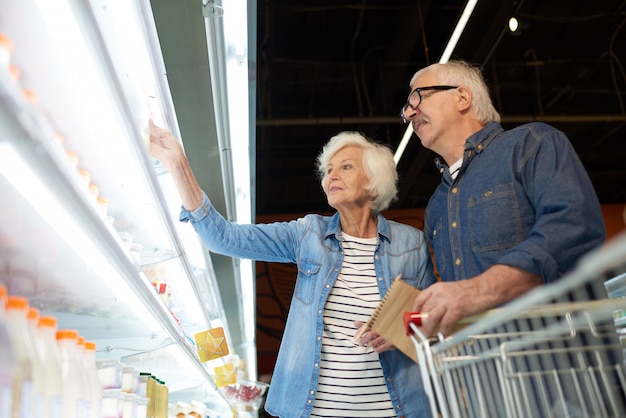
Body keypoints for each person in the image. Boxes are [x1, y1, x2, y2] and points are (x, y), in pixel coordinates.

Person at [148, 121, 437, 418]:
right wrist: (177, 163)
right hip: (316, 412)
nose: (331, 175)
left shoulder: (410, 243)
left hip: (394, 410)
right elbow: (224, 238)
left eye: (345, 167)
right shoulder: (308, 234)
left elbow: (434, 317)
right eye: (328, 170)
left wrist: (404, 330)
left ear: (374, 180)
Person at [401, 60, 606, 337]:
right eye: (407, 107)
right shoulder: (437, 204)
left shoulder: (532, 145)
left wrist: (477, 291)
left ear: (462, 97)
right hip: (482, 372)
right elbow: (456, 300)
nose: (411, 112)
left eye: (419, 97)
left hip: (560, 364)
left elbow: (574, 227)